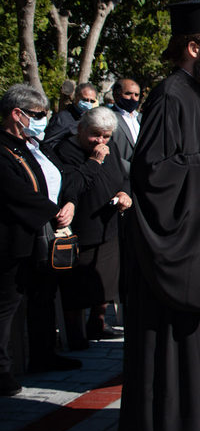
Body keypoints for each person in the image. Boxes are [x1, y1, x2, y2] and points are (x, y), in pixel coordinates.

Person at [118, 0, 200, 431]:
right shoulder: (170, 95)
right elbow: (151, 173)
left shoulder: (199, 96)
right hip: (174, 248)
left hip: (199, 240)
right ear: (193, 47)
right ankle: (171, 427)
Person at [0, 84, 80, 396]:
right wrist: (51, 211)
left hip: (39, 239)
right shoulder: (4, 148)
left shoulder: (32, 145)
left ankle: (45, 353)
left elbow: (56, 176)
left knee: (43, 297)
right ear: (16, 114)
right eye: (37, 114)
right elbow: (14, 191)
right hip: (12, 241)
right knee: (6, 306)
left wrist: (69, 200)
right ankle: (3, 370)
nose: (42, 120)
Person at [53, 106, 130, 349]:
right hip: (82, 227)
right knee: (76, 287)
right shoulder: (66, 149)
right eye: (96, 134)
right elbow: (72, 185)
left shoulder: (112, 147)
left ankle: (98, 323)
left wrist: (124, 193)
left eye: (106, 136)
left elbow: (122, 176)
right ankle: (75, 334)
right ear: (81, 128)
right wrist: (95, 160)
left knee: (104, 280)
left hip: (109, 224)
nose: (101, 141)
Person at [42, 82, 98, 148]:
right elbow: (48, 144)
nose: (88, 103)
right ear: (76, 97)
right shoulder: (62, 118)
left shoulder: (90, 118)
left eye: (92, 101)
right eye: (85, 100)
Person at [109, 78, 142, 177]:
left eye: (136, 95)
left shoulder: (142, 118)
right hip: (120, 176)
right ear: (116, 95)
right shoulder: (108, 117)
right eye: (128, 94)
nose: (133, 98)